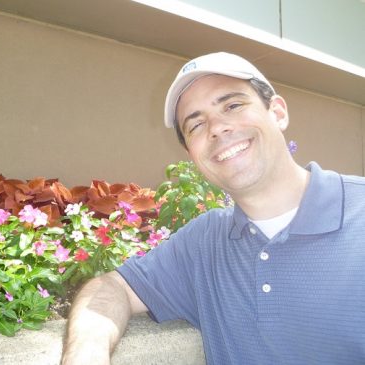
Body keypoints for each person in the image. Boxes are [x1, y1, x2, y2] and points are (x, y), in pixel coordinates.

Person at [61, 52, 365, 365]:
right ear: (191, 153)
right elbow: (112, 288)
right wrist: (86, 354)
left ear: (277, 112)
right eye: (196, 125)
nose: (217, 128)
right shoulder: (205, 243)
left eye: (232, 105)